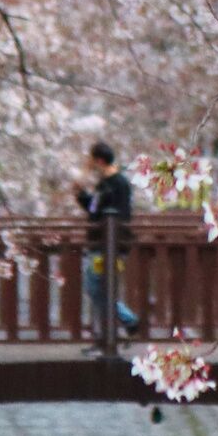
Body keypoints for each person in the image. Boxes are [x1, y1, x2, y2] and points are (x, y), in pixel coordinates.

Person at [76, 141, 138, 345]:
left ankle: (122, 324)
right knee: (100, 288)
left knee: (96, 287)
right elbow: (94, 207)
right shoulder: (113, 183)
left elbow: (97, 210)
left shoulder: (112, 184)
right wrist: (81, 195)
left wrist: (82, 194)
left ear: (99, 161)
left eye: (92, 161)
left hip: (106, 244)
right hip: (111, 244)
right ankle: (116, 328)